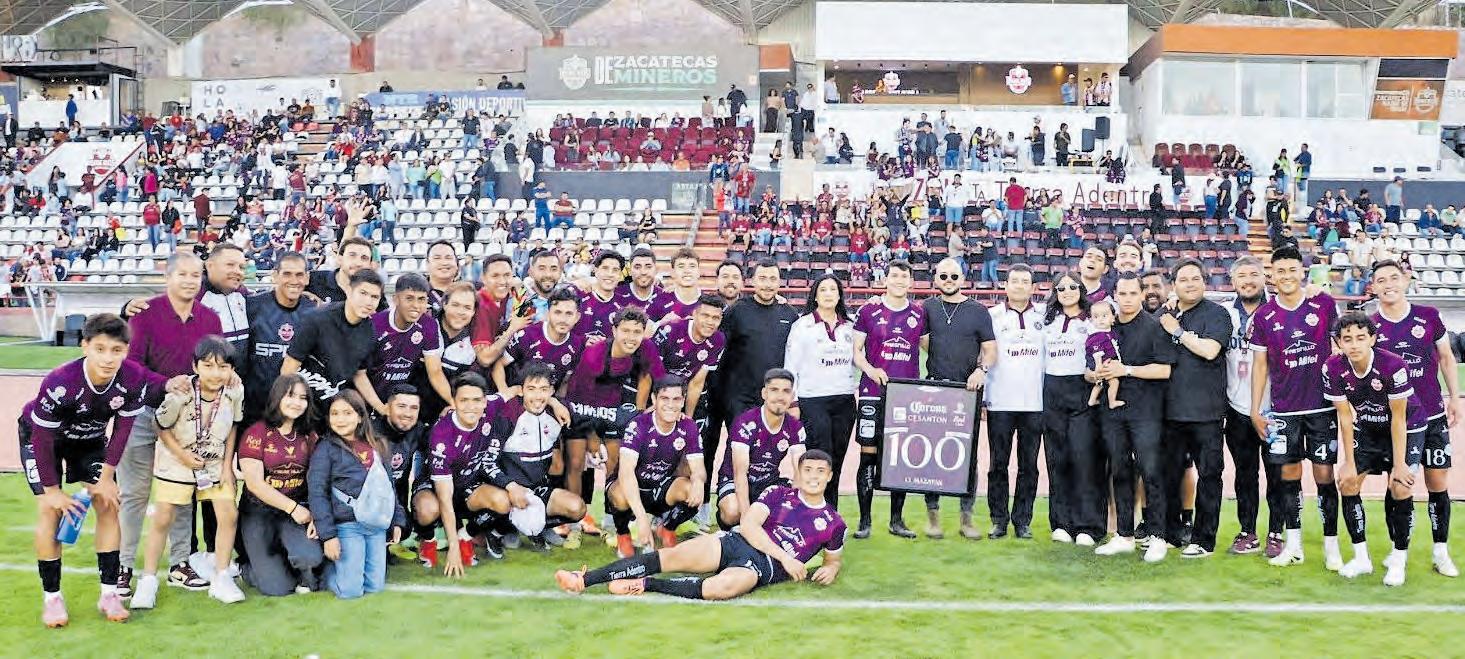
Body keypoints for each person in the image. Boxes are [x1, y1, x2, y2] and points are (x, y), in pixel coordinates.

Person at [21, 314, 186, 627]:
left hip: (89, 440)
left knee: (109, 502)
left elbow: (122, 430)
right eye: (100, 349)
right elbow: (42, 438)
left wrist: (107, 478)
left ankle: (109, 594)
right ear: (85, 346)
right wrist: (53, 492)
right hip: (42, 440)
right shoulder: (60, 381)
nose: (108, 358)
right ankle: (52, 599)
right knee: (50, 510)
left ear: (125, 351)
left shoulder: (131, 378)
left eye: (116, 350)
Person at [555, 450, 844, 600]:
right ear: (798, 472)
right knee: (668, 558)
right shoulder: (779, 493)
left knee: (722, 588)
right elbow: (749, 526)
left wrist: (830, 570)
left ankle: (645, 584)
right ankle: (583, 579)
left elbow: (833, 560)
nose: (813, 476)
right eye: (808, 470)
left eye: (820, 471)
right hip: (737, 543)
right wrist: (786, 558)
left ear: (830, 476)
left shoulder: (834, 523)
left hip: (759, 569)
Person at [118, 253, 223, 597]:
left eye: (196, 275)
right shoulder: (145, 313)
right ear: (168, 277)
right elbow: (131, 366)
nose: (190, 281)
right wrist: (165, 384)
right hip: (141, 411)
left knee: (181, 492)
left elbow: (216, 362)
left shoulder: (209, 318)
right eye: (183, 274)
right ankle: (122, 566)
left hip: (184, 418)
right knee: (134, 493)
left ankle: (180, 563)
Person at [130, 336, 246, 608]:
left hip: (214, 463)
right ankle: (148, 581)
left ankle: (221, 577)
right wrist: (182, 455)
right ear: (195, 366)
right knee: (163, 518)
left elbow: (233, 427)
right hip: (177, 462)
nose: (216, 373)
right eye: (208, 366)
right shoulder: (180, 394)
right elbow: (160, 426)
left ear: (232, 369)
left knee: (228, 515)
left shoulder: (234, 391)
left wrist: (228, 466)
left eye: (223, 367)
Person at [1249, 247, 1341, 569]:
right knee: (1288, 477)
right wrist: (1255, 409)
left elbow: (1341, 347)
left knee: (1324, 475)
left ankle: (1331, 547)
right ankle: (1294, 545)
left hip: (1321, 407)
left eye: (1292, 270)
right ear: (1271, 276)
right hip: (1284, 410)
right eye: (1280, 271)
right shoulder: (1264, 316)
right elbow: (1260, 365)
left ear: (1302, 272)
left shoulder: (1324, 304)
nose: (1286, 276)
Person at [1370, 260, 1460, 577]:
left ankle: (1441, 552)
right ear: (1374, 287)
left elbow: (1446, 358)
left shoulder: (1429, 316)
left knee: (1437, 483)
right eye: (1381, 280)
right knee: (1398, 485)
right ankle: (1398, 552)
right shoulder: (1371, 326)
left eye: (1394, 278)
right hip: (1396, 422)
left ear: (1405, 280)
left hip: (1433, 415)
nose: (1388, 284)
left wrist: (1454, 398)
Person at [1326, 312, 1425, 586]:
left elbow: (1399, 418)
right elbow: (1345, 416)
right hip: (1368, 428)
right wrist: (1348, 462)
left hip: (1407, 426)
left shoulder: (1393, 365)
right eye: (1347, 339)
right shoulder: (1333, 367)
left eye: (1360, 337)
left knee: (1401, 486)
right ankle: (1361, 559)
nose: (1354, 344)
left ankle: (1398, 559)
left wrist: (1400, 465)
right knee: (1347, 482)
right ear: (1339, 342)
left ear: (1372, 339)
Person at [560, 307, 665, 542]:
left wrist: (645, 411)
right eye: (625, 331)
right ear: (614, 331)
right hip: (582, 407)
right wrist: (591, 438)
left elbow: (659, 380)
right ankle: (574, 525)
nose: (631, 337)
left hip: (615, 408)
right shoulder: (594, 355)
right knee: (576, 462)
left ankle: (612, 522)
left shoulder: (646, 347)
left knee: (615, 463)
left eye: (637, 332)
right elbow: (578, 400)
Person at [1091, 273, 1176, 562]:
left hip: (1146, 412)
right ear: (1114, 296)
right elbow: (1093, 367)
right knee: (1119, 471)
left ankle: (1158, 536)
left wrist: (1126, 370)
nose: (1127, 299)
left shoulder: (1154, 327)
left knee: (1151, 471)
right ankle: (1124, 535)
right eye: (1122, 294)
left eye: (1132, 294)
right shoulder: (1107, 328)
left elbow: (1164, 370)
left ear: (1141, 295)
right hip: (1113, 411)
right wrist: (1096, 373)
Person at [1158, 258, 1233, 558]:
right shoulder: (1165, 314)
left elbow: (1210, 350)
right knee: (1169, 475)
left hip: (1207, 413)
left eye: (1195, 278)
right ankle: (1170, 534)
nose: (1190, 284)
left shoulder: (1217, 314)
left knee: (1209, 476)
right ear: (1173, 285)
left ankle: (1204, 540)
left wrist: (1177, 331)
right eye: (1183, 279)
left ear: (1205, 282)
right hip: (1170, 412)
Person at [919, 258, 995, 539]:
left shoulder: (978, 311)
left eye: (954, 276)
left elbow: (990, 349)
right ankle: (933, 518)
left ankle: (966, 518)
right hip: (935, 391)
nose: (949, 281)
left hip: (968, 392)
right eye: (943, 276)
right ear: (935, 279)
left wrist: (981, 370)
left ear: (963, 278)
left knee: (968, 456)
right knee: (931, 455)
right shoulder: (927, 307)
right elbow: (922, 340)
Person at [307, 389, 406, 599]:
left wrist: (397, 520)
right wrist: (329, 536)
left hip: (376, 524)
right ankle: (324, 573)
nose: (340, 419)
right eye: (335, 413)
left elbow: (387, 488)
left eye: (347, 413)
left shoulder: (377, 445)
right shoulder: (325, 449)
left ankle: (347, 568)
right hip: (347, 525)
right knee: (350, 591)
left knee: (375, 587)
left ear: (360, 416)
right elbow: (317, 493)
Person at [852, 260, 926, 539]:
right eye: (894, 275)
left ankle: (896, 520)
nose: (898, 280)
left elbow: (932, 347)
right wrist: (871, 370)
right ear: (885, 279)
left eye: (904, 276)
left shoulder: (918, 313)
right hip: (873, 393)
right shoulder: (868, 310)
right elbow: (856, 351)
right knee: (868, 456)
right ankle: (865, 521)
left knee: (899, 458)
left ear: (910, 282)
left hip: (905, 396)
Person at [237, 373, 324, 596]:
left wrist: (316, 514)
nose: (297, 403)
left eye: (303, 398)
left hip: (295, 509)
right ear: (277, 397)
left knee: (310, 558)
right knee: (277, 588)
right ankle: (247, 566)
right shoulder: (256, 433)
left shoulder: (309, 435)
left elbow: (318, 479)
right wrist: (293, 509)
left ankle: (291, 560)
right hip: (259, 511)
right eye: (290, 395)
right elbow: (255, 484)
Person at [1220, 256, 1283, 557]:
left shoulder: (1278, 309)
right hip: (1237, 407)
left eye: (1253, 274)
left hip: (1275, 409)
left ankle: (1276, 532)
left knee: (1277, 474)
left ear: (1263, 278)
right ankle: (1248, 531)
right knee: (1245, 474)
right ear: (1233, 281)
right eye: (1242, 276)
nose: (1248, 281)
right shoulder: (1223, 313)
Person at [412, 373, 507, 571]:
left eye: (476, 400)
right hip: (437, 487)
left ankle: (465, 536)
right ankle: (428, 539)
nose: (471, 406)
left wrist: (554, 403)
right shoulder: (442, 435)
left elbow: (513, 391)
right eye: (464, 400)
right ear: (454, 401)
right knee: (427, 509)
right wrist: (452, 547)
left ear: (485, 401)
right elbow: (445, 499)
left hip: (468, 482)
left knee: (503, 501)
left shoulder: (491, 406)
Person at [782, 275, 859, 511]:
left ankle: (830, 512)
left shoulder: (850, 325)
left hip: (845, 400)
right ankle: (812, 510)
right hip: (812, 400)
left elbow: (861, 357)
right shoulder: (802, 325)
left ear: (839, 295)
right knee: (819, 458)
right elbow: (790, 366)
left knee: (837, 460)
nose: (828, 294)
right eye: (823, 289)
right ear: (815, 295)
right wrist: (792, 401)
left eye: (833, 289)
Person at [608, 377, 706, 557]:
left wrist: (699, 481)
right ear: (654, 399)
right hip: (632, 486)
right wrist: (641, 519)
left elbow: (698, 469)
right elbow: (626, 473)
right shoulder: (638, 425)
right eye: (664, 398)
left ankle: (667, 528)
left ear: (683, 401)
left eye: (676, 399)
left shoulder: (689, 426)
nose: (670, 405)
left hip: (661, 487)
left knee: (694, 490)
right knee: (620, 495)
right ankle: (623, 534)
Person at [1041, 270, 1102, 545]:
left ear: (1081, 290)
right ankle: (1061, 523)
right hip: (1052, 392)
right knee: (1057, 458)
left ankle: (1088, 526)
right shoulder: (1046, 320)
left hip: (1082, 392)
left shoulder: (1091, 320)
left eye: (1072, 287)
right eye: (1061, 288)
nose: (1067, 292)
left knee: (1084, 458)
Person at [986, 264, 1044, 540]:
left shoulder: (1045, 316)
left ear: (1033, 287)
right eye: (1015, 281)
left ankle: (1023, 521)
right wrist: (984, 398)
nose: (1020, 286)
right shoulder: (992, 316)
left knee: (1028, 466)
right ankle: (998, 520)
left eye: (1025, 282)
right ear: (1005, 285)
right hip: (1000, 401)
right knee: (998, 464)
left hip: (1035, 403)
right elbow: (983, 355)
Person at [716, 368, 806, 529]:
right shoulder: (745, 422)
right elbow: (740, 474)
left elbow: (801, 468)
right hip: (734, 480)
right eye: (774, 390)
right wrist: (746, 519)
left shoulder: (795, 426)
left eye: (786, 391)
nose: (780, 397)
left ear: (792, 396)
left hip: (768, 481)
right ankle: (734, 528)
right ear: (764, 393)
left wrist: (793, 508)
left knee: (794, 508)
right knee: (732, 511)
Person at [281, 269, 384, 403]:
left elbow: (359, 374)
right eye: (363, 293)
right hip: (304, 402)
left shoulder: (370, 331)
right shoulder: (316, 319)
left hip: (335, 406)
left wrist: (381, 408)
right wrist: (289, 404)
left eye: (374, 297)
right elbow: (289, 368)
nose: (368, 301)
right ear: (349, 291)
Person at [357, 273, 452, 414]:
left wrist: (453, 403)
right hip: (367, 396)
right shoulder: (373, 325)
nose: (416, 306)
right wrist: (381, 408)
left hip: (399, 398)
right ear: (396, 299)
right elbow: (359, 374)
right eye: (409, 298)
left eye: (421, 299)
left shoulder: (428, 325)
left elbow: (435, 372)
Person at [651, 294, 727, 436]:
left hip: (684, 390)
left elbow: (697, 383)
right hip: (657, 388)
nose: (710, 322)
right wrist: (658, 403)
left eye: (715, 318)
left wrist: (687, 418)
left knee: (688, 432)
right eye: (705, 315)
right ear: (694, 314)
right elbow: (651, 372)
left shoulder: (718, 340)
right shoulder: (670, 331)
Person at [1085, 301, 1123, 409]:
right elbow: (1096, 352)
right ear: (1091, 320)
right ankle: (1112, 401)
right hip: (1100, 363)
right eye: (1096, 317)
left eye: (1104, 316)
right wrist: (1098, 366)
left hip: (1105, 362)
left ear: (1113, 318)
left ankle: (1092, 400)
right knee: (1114, 382)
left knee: (1099, 384)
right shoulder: (1097, 336)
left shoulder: (1110, 333)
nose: (1100, 319)